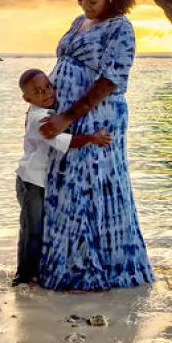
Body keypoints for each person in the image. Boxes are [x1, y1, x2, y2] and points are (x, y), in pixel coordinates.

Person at [37, 0, 155, 291]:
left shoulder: (121, 28)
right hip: (66, 120)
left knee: (94, 190)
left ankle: (100, 272)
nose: (86, 3)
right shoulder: (78, 23)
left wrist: (66, 116)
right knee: (65, 191)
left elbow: (109, 81)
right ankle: (63, 269)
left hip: (96, 119)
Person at [13, 68, 112, 287]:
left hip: (39, 180)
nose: (46, 93)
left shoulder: (44, 110)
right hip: (31, 181)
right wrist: (92, 139)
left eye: (47, 87)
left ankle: (33, 271)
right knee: (33, 230)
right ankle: (23, 277)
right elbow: (61, 141)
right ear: (27, 99)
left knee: (37, 228)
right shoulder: (40, 118)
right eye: (37, 92)